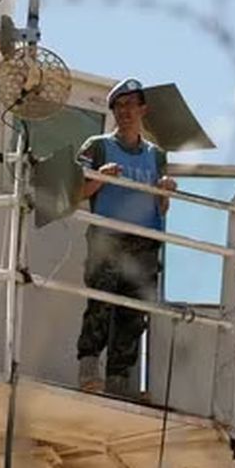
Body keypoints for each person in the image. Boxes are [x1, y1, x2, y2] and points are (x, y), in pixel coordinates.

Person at [75, 78, 177, 395]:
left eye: (131, 104)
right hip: (108, 237)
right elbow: (76, 191)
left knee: (133, 315)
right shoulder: (98, 146)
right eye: (119, 105)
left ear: (143, 109)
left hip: (144, 243)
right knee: (101, 305)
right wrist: (99, 178)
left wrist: (165, 192)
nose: (125, 111)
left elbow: (162, 206)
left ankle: (119, 382)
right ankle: (89, 370)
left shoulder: (157, 156)